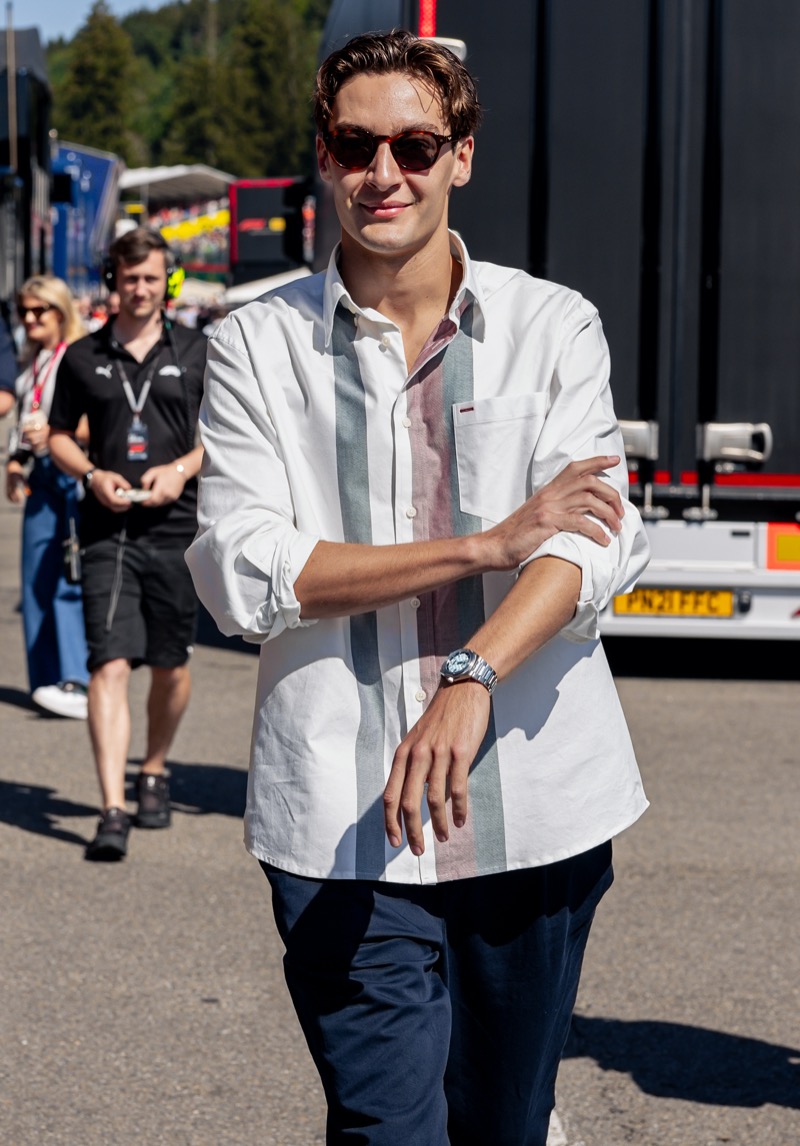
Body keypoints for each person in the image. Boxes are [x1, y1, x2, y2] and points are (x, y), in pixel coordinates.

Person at [186, 30, 650, 1146]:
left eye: (413, 144)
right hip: (336, 826)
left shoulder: (551, 326)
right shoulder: (254, 340)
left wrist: (472, 672)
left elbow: (589, 545)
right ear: (322, 154)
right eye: (355, 144)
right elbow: (247, 567)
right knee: (386, 1129)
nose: (381, 172)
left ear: (461, 156)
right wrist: (484, 546)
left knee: (502, 1123)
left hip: (534, 811)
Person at [48, 228, 206, 862]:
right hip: (107, 528)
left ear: (165, 280)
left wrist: (182, 470)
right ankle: (111, 807)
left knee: (169, 664)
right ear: (112, 278)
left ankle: (155, 769)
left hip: (176, 527)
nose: (140, 290)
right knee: (107, 664)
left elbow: (228, 434)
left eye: (151, 278)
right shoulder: (83, 356)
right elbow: (58, 435)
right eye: (129, 277)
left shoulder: (198, 349)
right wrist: (89, 473)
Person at [4, 276, 90, 718]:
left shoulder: (80, 355)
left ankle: (77, 678)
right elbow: (23, 418)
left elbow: (103, 420)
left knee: (69, 578)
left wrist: (60, 434)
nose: (32, 319)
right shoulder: (30, 361)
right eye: (25, 312)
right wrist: (14, 464)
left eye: (41, 310)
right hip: (42, 476)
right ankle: (45, 680)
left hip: (74, 475)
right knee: (36, 578)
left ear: (61, 312)